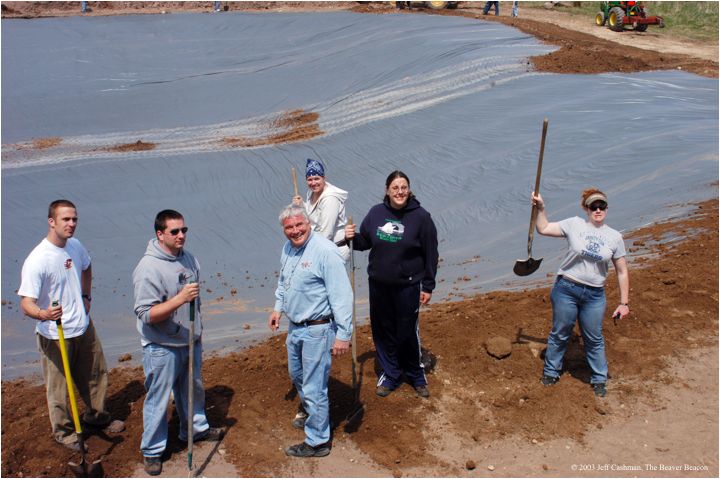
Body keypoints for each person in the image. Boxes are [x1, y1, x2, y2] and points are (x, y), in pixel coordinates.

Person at [18, 199, 122, 451]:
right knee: (59, 387)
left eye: (74, 219)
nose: (72, 224)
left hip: (83, 326)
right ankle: (65, 433)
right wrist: (43, 314)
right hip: (55, 334)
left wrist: (86, 297)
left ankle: (96, 417)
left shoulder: (75, 246)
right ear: (51, 222)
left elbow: (86, 267)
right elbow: (26, 302)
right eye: (66, 219)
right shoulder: (38, 259)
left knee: (95, 375)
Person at [132, 209, 225, 476]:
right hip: (161, 346)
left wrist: (197, 333)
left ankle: (195, 431)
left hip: (190, 340)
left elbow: (195, 302)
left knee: (193, 390)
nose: (181, 235)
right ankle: (152, 450)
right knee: (159, 398)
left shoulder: (189, 259)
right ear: (160, 234)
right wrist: (179, 300)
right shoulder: (148, 268)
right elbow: (146, 314)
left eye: (184, 230)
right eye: (175, 231)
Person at [268, 204, 353, 458]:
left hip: (319, 329)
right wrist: (277, 308)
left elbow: (342, 296)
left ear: (309, 224)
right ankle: (313, 415)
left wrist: (343, 335)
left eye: (299, 225)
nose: (295, 231)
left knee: (315, 387)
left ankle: (317, 441)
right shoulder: (287, 249)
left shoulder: (325, 251)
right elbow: (284, 280)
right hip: (295, 328)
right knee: (297, 376)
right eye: (289, 227)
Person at [344, 171, 438, 398]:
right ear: (387, 190)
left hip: (408, 286)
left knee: (407, 332)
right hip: (378, 284)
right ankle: (391, 373)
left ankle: (416, 375)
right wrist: (351, 237)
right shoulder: (376, 213)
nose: (399, 192)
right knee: (383, 331)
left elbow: (431, 253)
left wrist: (428, 286)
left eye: (403, 187)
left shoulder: (421, 217)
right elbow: (365, 241)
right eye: (395, 187)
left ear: (409, 189)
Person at [532, 188, 630, 398]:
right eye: (593, 206)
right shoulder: (574, 224)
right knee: (561, 332)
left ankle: (599, 379)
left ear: (606, 208)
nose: (597, 210)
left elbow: (622, 271)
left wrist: (624, 303)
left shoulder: (614, 237)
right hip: (566, 288)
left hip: (594, 295)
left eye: (601, 206)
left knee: (594, 337)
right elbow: (544, 228)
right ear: (585, 209)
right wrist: (541, 208)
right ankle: (551, 372)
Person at [292, 158, 350, 262]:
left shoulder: (330, 199)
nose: (313, 183)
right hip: (319, 246)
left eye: (316, 178)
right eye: (309, 179)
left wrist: (309, 252)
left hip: (333, 249)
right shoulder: (311, 193)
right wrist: (302, 205)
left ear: (324, 178)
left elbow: (326, 232)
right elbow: (313, 217)